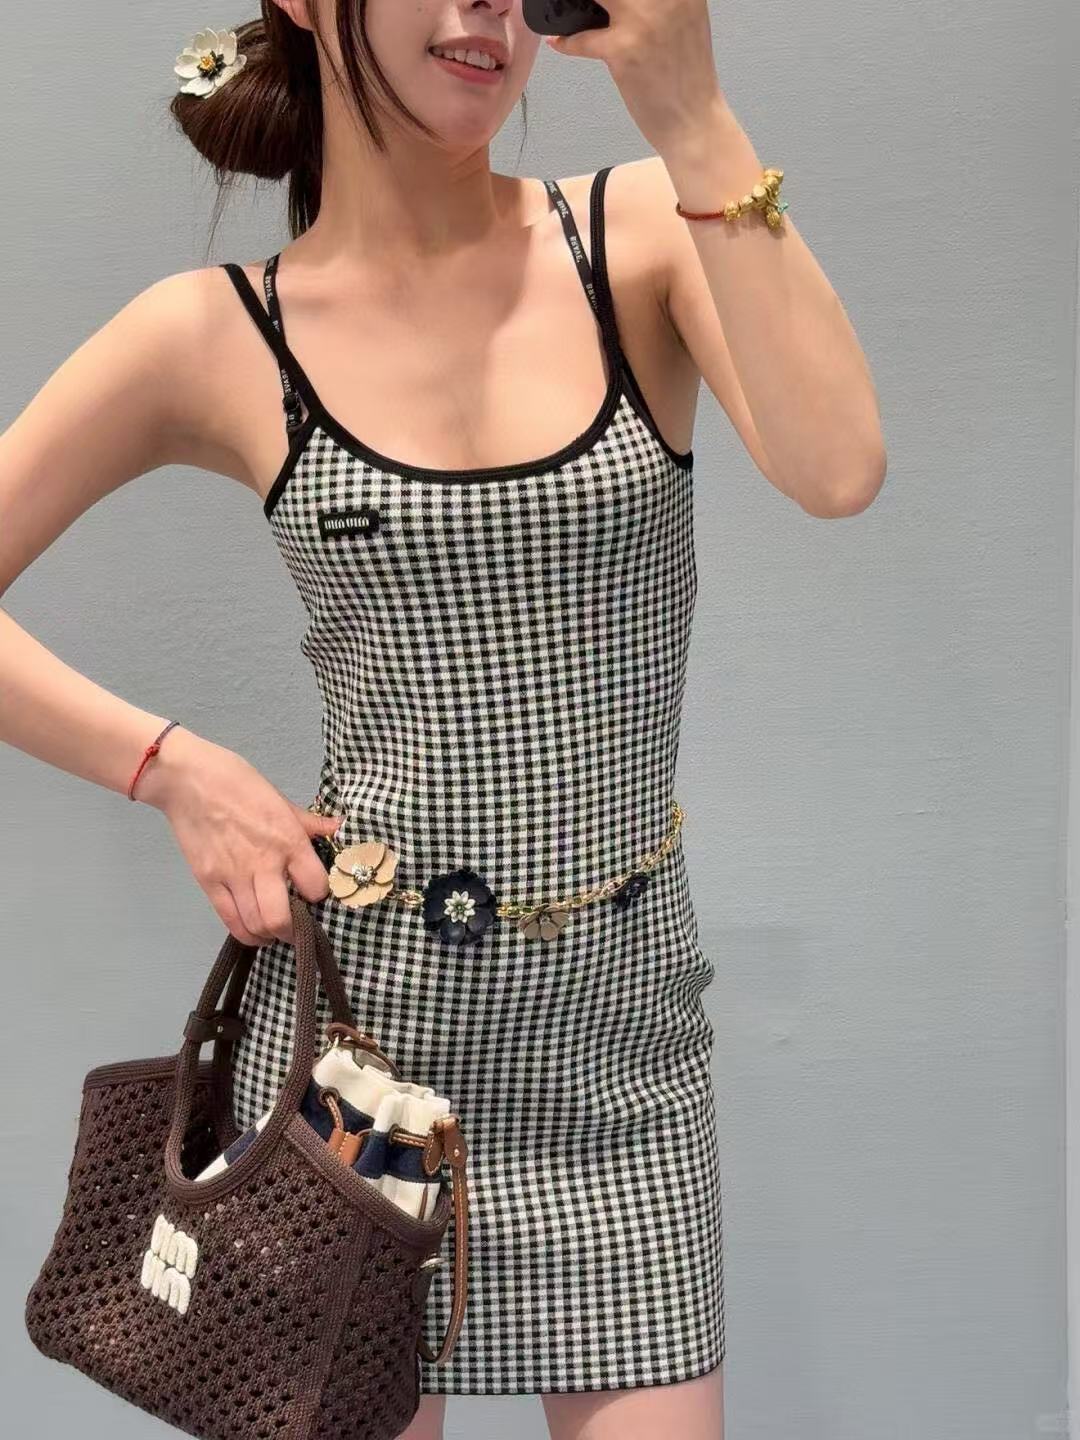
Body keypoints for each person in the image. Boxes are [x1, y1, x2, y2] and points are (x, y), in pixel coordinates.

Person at [0, 2, 886, 1436]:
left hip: (620, 1045)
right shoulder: (218, 332)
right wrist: (167, 767)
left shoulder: (640, 233)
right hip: (361, 1062)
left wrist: (693, 111)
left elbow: (838, 468)